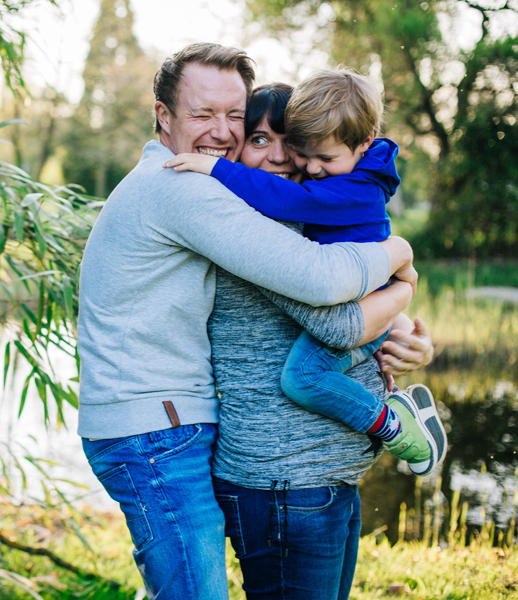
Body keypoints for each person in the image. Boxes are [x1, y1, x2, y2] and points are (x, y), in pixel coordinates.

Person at [76, 44, 420, 600]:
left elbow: (328, 301)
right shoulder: (184, 187)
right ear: (163, 115)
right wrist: (401, 263)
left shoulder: (212, 191)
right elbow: (319, 286)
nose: (220, 131)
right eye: (202, 114)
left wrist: (400, 328)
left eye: (233, 116)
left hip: (188, 428)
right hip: (161, 430)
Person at [164, 82, 429, 599]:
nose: (288, 160)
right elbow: (337, 326)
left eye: (295, 144)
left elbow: (355, 310)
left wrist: (409, 335)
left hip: (327, 477)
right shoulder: (253, 226)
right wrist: (403, 276)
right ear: (236, 147)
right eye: (261, 140)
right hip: (285, 483)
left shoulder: (307, 215)